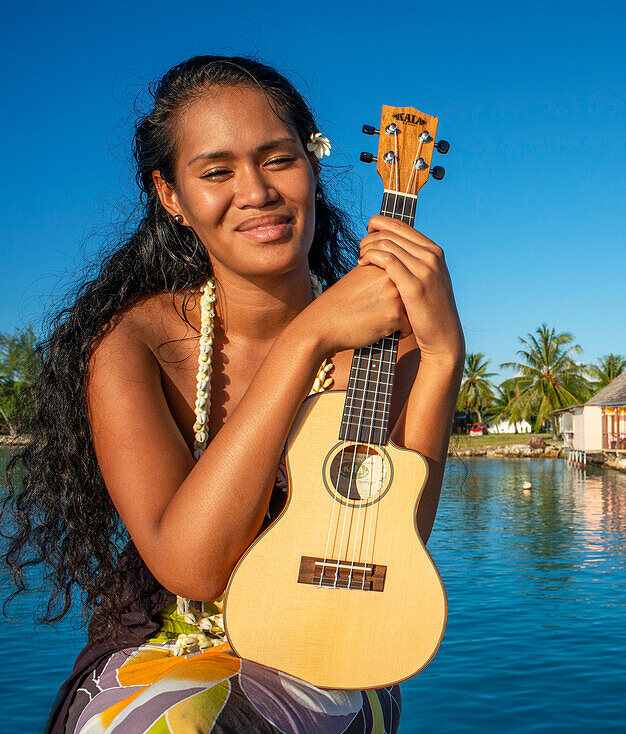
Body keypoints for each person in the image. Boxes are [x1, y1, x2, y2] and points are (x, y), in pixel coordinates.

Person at [1, 55, 463, 733]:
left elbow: (390, 552)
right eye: (217, 171)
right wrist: (305, 340)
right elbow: (193, 567)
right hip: (170, 646)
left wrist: (444, 353)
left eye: (277, 159)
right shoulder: (134, 344)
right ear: (172, 198)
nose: (256, 191)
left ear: (311, 166)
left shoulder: (385, 346)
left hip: (335, 644)